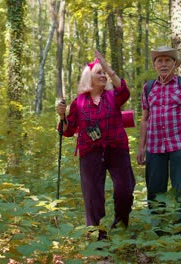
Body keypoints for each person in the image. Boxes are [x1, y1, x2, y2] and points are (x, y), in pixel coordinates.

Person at [56, 50, 135, 240]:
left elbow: (125, 91)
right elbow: (67, 131)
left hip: (116, 148)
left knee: (125, 188)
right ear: (88, 77)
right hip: (90, 151)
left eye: (104, 73)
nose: (103, 75)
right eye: (99, 72)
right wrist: (62, 116)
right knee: (92, 193)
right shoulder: (79, 102)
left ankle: (121, 218)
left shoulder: (112, 96)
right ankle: (96, 233)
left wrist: (106, 65)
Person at [136, 46, 181, 241]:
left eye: (167, 60)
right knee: (155, 189)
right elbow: (144, 118)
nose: (163, 64)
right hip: (154, 146)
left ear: (175, 64)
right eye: (159, 61)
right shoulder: (148, 88)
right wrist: (141, 146)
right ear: (154, 65)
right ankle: (159, 233)